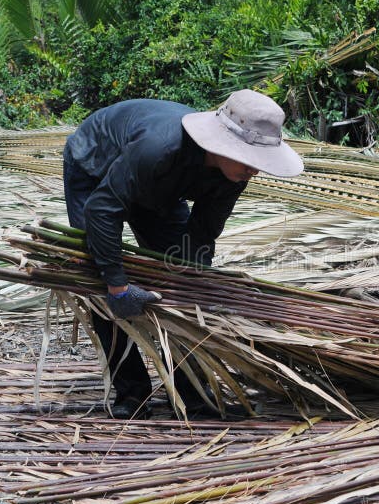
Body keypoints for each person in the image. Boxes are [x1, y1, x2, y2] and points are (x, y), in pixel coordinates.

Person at [62, 89, 304, 419]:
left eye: (259, 162)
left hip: (158, 188)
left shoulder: (235, 174)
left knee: (179, 283)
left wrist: (192, 285)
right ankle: (132, 393)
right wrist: (118, 286)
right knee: (102, 278)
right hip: (95, 166)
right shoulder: (158, 150)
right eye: (249, 158)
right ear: (222, 144)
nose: (255, 170)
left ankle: (191, 390)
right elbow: (103, 209)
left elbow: (201, 234)